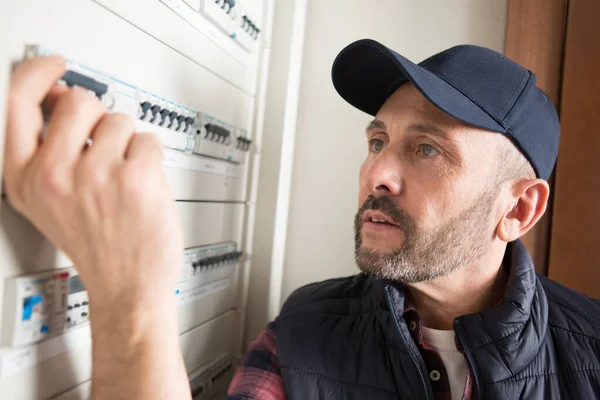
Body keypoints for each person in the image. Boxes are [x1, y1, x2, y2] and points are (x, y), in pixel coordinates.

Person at [4, 38, 600, 400]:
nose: (377, 174)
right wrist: (131, 297)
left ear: (518, 208)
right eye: (376, 141)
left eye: (426, 149)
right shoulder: (305, 331)